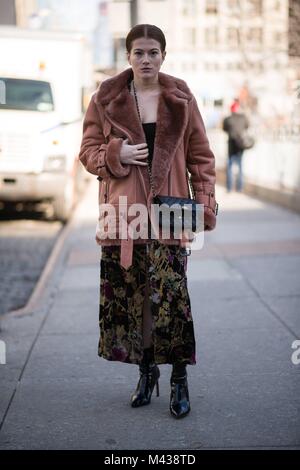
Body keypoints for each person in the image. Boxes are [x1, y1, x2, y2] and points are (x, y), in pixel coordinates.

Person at [78, 24, 218, 419]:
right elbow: (87, 152)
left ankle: (177, 379)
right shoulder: (105, 100)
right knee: (135, 300)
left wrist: (205, 202)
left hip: (170, 214)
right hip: (123, 215)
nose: (146, 59)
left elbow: (201, 157)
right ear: (128, 56)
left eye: (153, 52)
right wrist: (115, 153)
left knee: (172, 300)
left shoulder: (181, 98)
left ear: (163, 56)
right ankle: (146, 372)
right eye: (138, 52)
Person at [222, 99, 250, 192]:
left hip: (231, 144)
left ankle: (229, 188)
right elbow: (247, 126)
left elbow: (224, 129)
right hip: (241, 145)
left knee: (230, 166)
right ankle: (240, 188)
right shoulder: (243, 118)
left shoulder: (228, 119)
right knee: (240, 166)